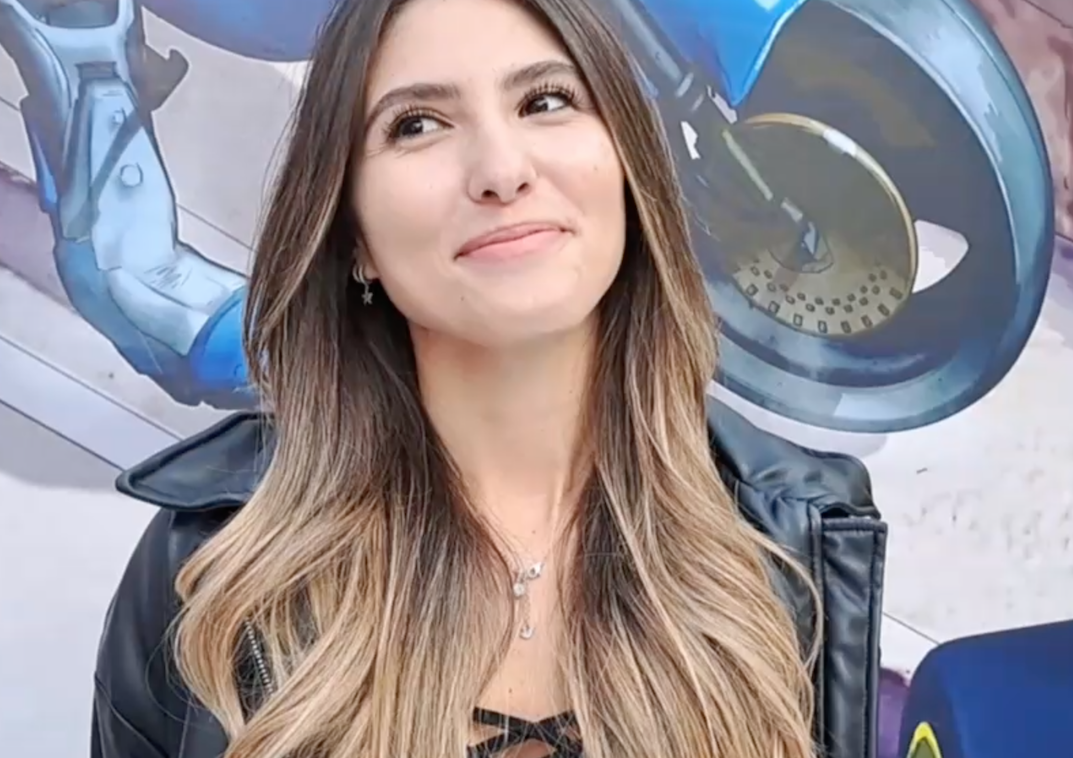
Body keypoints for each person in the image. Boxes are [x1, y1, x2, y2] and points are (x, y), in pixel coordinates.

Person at [92, 0, 887, 755]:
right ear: (353, 235)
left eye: (546, 102)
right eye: (417, 124)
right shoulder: (211, 568)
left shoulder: (793, 537)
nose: (502, 171)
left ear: (628, 167)